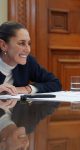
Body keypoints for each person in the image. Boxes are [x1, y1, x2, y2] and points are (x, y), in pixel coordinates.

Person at [0, 21, 62, 149]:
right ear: (3, 45)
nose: (27, 49)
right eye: (21, 43)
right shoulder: (25, 128)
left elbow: (55, 83)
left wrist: (27, 89)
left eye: (28, 43)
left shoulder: (28, 63)